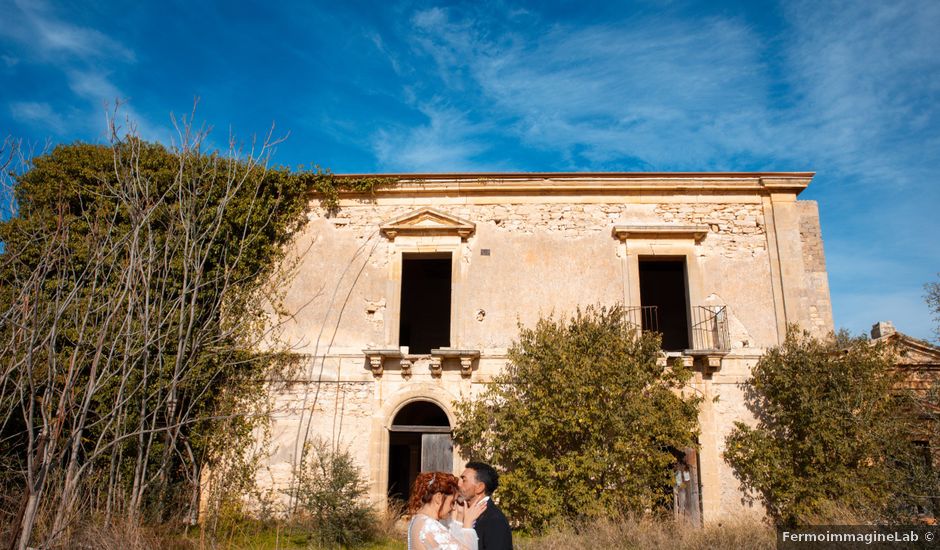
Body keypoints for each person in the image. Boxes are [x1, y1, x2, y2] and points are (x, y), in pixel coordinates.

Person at [407, 471, 487, 550]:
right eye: (452, 502)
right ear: (438, 498)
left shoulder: (418, 520)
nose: (453, 508)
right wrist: (468, 523)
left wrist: (459, 517)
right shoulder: (429, 526)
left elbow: (452, 543)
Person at [458, 462, 512, 550]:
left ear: (480, 487)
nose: (459, 484)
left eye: (464, 480)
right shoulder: (466, 513)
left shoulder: (494, 520)